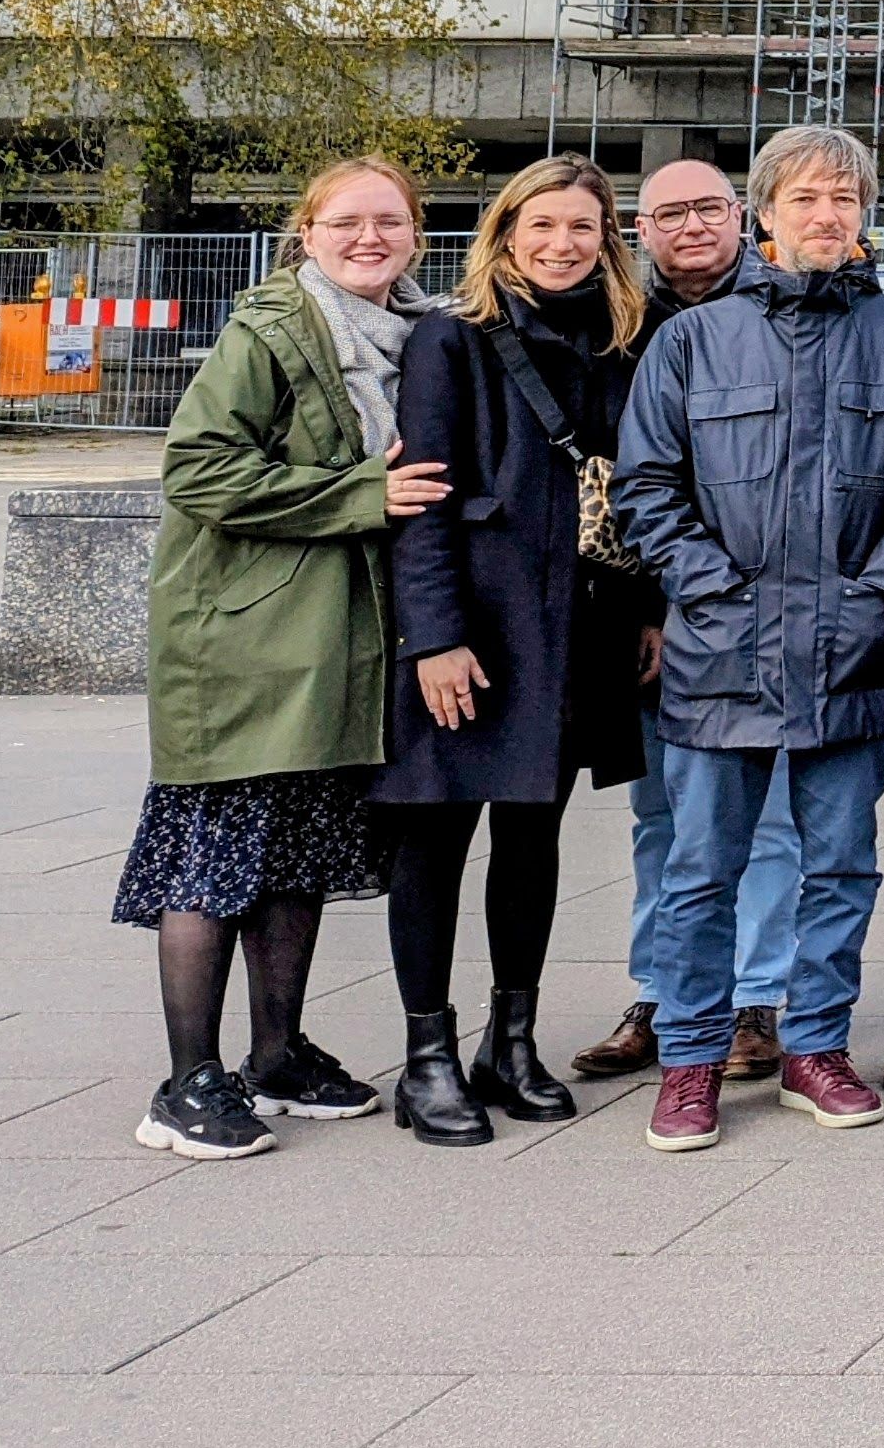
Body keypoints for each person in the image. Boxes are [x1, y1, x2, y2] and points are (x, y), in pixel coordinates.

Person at [613, 125, 884, 1153]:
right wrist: (706, 587)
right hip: (718, 654)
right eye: (807, 198)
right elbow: (646, 484)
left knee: (840, 866)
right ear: (764, 213)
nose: (828, 216)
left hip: (855, 653)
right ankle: (689, 1059)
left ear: (866, 215)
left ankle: (814, 1045)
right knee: (699, 869)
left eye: (846, 199)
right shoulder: (694, 341)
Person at [118, 159, 445, 1158]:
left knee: (294, 857)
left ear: (416, 235)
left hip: (334, 640)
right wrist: (357, 493)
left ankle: (276, 1055)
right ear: (307, 233)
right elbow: (200, 468)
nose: (367, 238)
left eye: (387, 222)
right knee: (214, 864)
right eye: (345, 222)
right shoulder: (271, 329)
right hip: (248, 642)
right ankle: (185, 1083)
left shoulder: (416, 330)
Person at [375, 156, 650, 1146]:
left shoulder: (624, 340)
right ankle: (427, 1058)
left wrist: (648, 612)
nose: (562, 244)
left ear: (606, 240)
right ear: (504, 235)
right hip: (477, 633)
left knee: (532, 842)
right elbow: (423, 501)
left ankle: (511, 1041)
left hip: (575, 631)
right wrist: (435, 636)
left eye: (582, 228)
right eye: (541, 227)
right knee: (435, 839)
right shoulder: (453, 338)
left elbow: (642, 492)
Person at [571, 153, 801, 1086]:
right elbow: (626, 481)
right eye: (669, 214)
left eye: (709, 208)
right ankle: (665, 994)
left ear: (741, 214)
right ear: (643, 229)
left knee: (771, 815)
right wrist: (652, 604)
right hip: (660, 608)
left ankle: (757, 999)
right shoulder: (619, 324)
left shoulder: (788, 307)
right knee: (661, 813)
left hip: (773, 606)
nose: (691, 227)